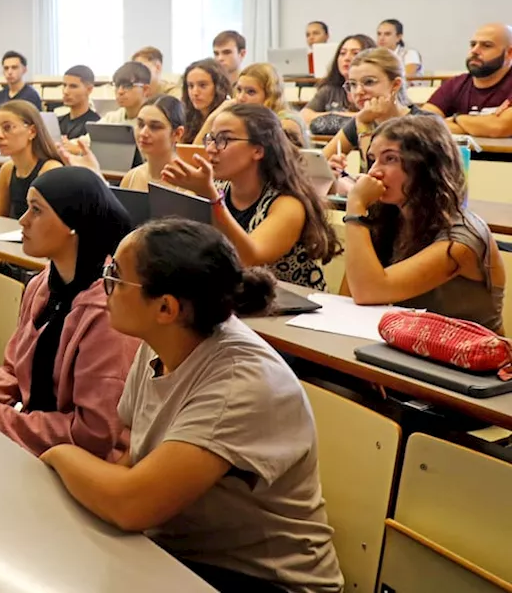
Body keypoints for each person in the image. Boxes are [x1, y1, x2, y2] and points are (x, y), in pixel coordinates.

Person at [42, 218, 343, 593]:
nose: (105, 287)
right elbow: (134, 463)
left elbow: (132, 505)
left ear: (166, 308)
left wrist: (57, 453)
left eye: (116, 277)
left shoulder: (241, 382)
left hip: (262, 578)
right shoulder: (159, 341)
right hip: (180, 552)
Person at [0, 167, 140, 457]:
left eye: (36, 210)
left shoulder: (109, 310)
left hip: (89, 464)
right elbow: (13, 370)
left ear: (73, 224)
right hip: (37, 442)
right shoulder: (42, 283)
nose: (23, 220)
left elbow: (95, 434)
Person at [343, 115, 504, 331]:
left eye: (390, 159)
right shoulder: (387, 217)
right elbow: (349, 294)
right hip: (399, 345)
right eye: (373, 159)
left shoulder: (461, 239)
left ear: (427, 166)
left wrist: (355, 207)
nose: (374, 172)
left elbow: (368, 291)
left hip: (458, 358)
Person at [163, 104, 340, 290]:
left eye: (225, 139)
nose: (212, 149)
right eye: (211, 139)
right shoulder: (218, 188)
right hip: (238, 301)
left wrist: (210, 198)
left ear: (258, 150)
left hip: (293, 311)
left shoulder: (288, 203)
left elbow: (249, 260)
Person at [321, 48, 429, 190]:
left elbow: (377, 177)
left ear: (395, 84)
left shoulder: (424, 124)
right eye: (352, 84)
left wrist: (364, 126)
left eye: (369, 82)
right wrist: (332, 172)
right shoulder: (360, 120)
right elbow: (318, 167)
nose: (359, 91)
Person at [423, 23, 512, 137]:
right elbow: (425, 122)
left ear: (509, 53)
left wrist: (457, 119)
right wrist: (479, 126)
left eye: (487, 45)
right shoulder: (456, 84)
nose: (475, 51)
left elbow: (500, 127)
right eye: (473, 44)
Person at [0, 100, 64, 218]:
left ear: (32, 131)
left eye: (7, 128)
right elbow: (0, 220)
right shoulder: (7, 170)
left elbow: (53, 224)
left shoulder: (50, 171)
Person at [300, 33, 372, 136]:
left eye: (355, 53)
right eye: (342, 53)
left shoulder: (374, 90)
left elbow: (373, 117)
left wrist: (333, 116)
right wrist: (333, 115)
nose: (347, 58)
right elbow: (304, 116)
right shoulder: (329, 90)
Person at [0, 51, 43, 150]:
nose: (10, 72)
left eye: (14, 67)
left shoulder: (31, 96)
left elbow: (28, 130)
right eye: (6, 68)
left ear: (24, 70)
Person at [120, 95, 187, 192]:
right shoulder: (131, 178)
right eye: (140, 124)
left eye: (155, 127)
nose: (143, 133)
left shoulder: (190, 184)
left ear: (177, 133)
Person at [234, 63, 310, 147]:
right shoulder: (245, 119)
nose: (240, 97)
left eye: (251, 92)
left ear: (270, 95)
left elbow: (288, 159)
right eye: (239, 90)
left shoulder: (286, 124)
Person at [181, 58, 232, 143]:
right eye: (191, 86)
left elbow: (194, 153)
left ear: (218, 87)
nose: (195, 92)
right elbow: (184, 153)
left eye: (202, 85)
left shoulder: (228, 119)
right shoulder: (185, 116)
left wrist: (211, 119)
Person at [57, 65, 101, 156]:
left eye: (73, 86)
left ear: (89, 89)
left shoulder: (96, 125)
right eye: (64, 85)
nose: (66, 91)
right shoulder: (57, 122)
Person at [99, 61, 152, 127]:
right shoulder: (111, 119)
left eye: (128, 86)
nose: (120, 91)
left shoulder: (154, 121)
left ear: (145, 90)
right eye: (117, 85)